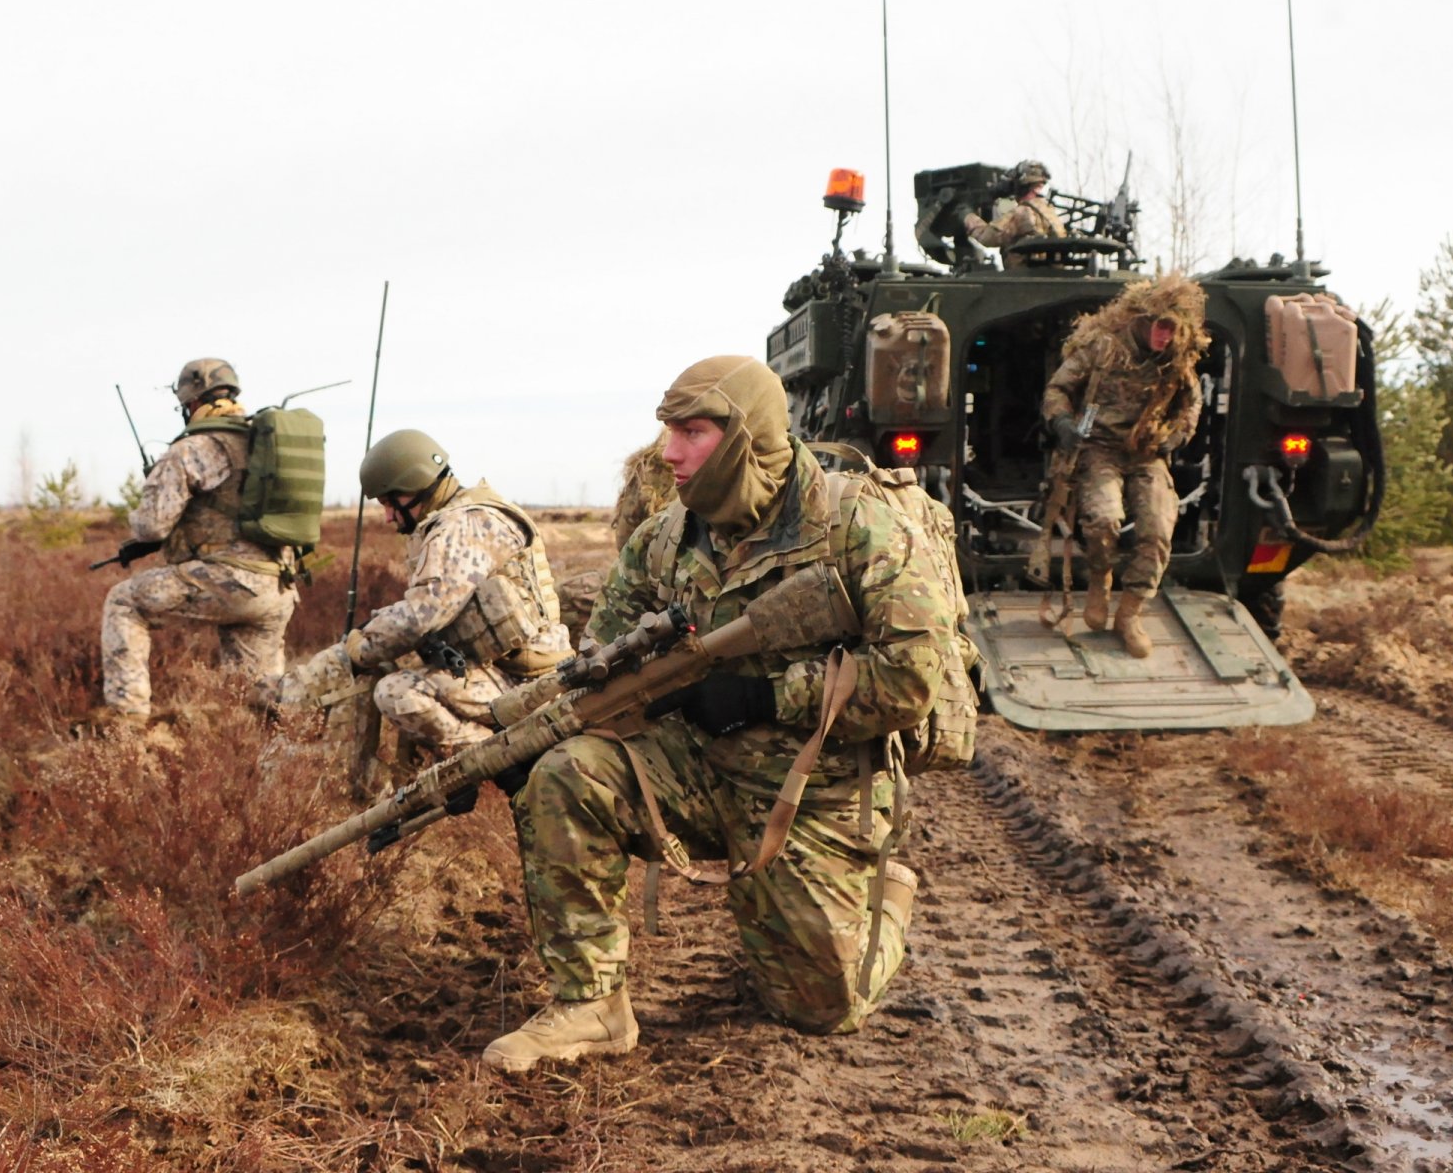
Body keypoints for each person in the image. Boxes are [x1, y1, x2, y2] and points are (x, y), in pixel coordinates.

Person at [482, 355, 957, 1074]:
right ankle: (592, 1003)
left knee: (821, 1011)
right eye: (669, 431)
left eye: (692, 432)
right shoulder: (665, 537)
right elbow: (604, 662)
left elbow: (910, 678)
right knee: (565, 773)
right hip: (699, 769)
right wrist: (541, 737)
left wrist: (765, 697)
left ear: (746, 435)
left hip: (813, 790)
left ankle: (885, 897)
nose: (669, 452)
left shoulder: (858, 523)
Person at [339, 429, 571, 763]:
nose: (389, 516)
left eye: (391, 503)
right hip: (519, 669)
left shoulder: (461, 526)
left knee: (396, 692)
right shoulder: (467, 515)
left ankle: (503, 762)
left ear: (415, 486)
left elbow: (421, 616)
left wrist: (363, 649)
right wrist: (378, 624)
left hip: (526, 680)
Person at [99, 358, 298, 723]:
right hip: (278, 585)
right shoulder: (265, 442)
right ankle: (289, 749)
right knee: (256, 695)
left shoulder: (192, 449)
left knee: (124, 601)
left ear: (191, 403)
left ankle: (126, 724)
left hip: (229, 582)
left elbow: (151, 527)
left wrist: (140, 518)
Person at [1040, 273, 1209, 657]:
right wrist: (1062, 421)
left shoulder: (1177, 358)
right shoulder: (1105, 347)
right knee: (1103, 519)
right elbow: (1058, 388)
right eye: (1161, 327)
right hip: (1099, 447)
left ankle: (1130, 612)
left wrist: (1177, 436)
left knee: (1158, 529)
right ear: (1146, 320)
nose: (1164, 337)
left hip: (1147, 452)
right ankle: (1100, 578)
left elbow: (1191, 403)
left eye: (1172, 330)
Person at [964, 159, 1068, 268]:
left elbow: (988, 237)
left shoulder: (1021, 212)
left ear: (1021, 184)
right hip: (1047, 274)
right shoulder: (1050, 211)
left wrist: (967, 216)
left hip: (1025, 277)